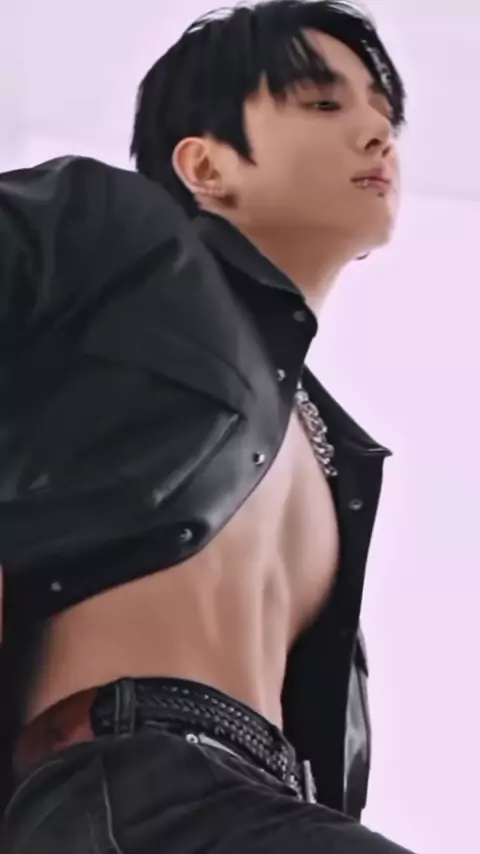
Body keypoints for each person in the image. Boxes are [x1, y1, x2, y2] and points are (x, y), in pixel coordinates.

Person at [0, 0, 415, 850]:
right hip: (121, 788)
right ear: (206, 164)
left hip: (258, 805)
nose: (378, 133)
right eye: (324, 102)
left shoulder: (338, 453)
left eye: (384, 112)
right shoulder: (112, 231)